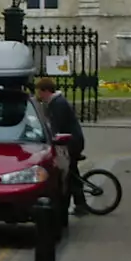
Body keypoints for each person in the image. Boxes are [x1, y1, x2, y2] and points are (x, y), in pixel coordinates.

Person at [36, 76, 89, 214]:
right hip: (71, 140)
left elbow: (56, 127)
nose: (39, 95)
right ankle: (79, 203)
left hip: (71, 142)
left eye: (40, 92)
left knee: (69, 173)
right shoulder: (56, 102)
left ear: (46, 91)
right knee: (72, 173)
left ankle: (77, 204)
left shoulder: (58, 104)